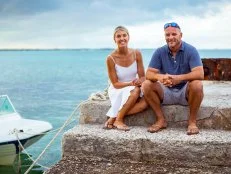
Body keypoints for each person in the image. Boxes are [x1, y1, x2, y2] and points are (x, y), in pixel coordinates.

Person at [142, 22, 204, 135]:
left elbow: (200, 74)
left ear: (181, 35)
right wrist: (160, 77)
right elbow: (149, 74)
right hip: (166, 92)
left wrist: (178, 78)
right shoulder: (159, 52)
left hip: (185, 93)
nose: (170, 37)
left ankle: (192, 122)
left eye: (174, 34)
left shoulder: (191, 50)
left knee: (197, 84)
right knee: (146, 84)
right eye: (167, 35)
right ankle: (161, 120)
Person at [104, 26, 148, 131]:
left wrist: (139, 81)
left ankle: (113, 116)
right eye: (118, 36)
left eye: (124, 35)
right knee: (136, 90)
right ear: (114, 39)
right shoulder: (110, 58)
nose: (122, 38)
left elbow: (142, 77)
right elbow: (115, 84)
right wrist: (130, 84)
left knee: (147, 102)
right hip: (118, 88)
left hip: (133, 86)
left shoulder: (136, 53)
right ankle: (119, 120)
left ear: (128, 37)